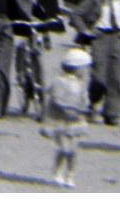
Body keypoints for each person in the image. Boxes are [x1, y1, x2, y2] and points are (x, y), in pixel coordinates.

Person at [74, 0, 120, 126]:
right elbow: (76, 14)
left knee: (115, 77)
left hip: (119, 38)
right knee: (99, 76)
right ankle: (93, 103)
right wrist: (85, 31)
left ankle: (112, 113)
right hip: (100, 37)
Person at [43, 48, 91, 188]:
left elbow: (84, 100)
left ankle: (70, 174)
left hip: (75, 121)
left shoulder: (80, 84)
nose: (85, 72)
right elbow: (56, 99)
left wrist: (84, 109)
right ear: (76, 68)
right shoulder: (60, 82)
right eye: (84, 69)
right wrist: (67, 109)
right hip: (60, 120)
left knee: (73, 150)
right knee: (64, 149)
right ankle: (57, 173)